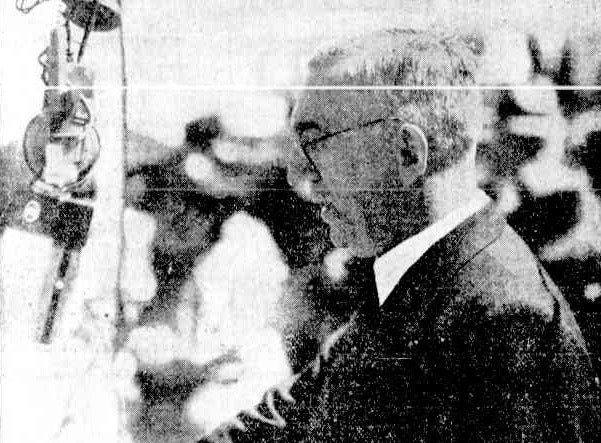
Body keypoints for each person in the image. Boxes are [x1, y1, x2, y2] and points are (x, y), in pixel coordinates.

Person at [197, 29, 600, 442]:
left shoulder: (503, 321)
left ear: (408, 153)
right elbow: (289, 415)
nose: (302, 178)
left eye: (320, 144)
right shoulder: (421, 276)